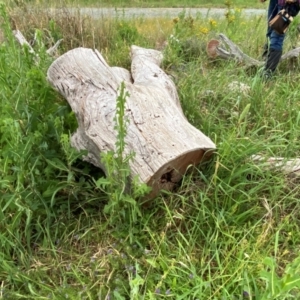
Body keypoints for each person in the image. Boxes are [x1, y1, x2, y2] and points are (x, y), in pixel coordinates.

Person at [260, 0, 300, 79]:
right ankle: (264, 64)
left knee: (276, 37)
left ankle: (268, 74)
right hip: (276, 2)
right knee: (270, 33)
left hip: (290, 4)